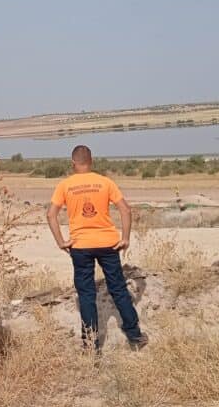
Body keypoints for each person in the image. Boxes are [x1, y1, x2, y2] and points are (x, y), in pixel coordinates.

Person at [46, 145, 146, 351]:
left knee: (86, 294)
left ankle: (91, 345)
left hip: (80, 246)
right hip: (108, 244)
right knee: (118, 289)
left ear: (73, 163)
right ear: (91, 161)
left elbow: (50, 215)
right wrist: (125, 238)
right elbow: (126, 210)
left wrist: (61, 242)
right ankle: (135, 337)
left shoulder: (65, 185)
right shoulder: (105, 182)